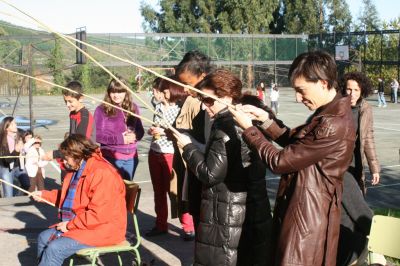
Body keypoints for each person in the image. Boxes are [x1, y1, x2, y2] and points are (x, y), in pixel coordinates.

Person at [230, 51, 356, 265]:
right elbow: (300, 146)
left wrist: (249, 130)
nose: (298, 98)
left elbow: (280, 162)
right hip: (304, 209)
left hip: (307, 218)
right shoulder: (328, 112)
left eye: (301, 90)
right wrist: (266, 121)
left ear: (323, 83)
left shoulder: (333, 122)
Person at [172, 69, 272, 265]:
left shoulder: (225, 127)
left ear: (226, 96)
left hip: (227, 212)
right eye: (203, 100)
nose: (204, 106)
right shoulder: (247, 120)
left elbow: (210, 174)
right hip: (248, 208)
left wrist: (188, 148)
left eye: (209, 100)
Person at [32, 134, 127, 266]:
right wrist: (44, 195)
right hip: (85, 225)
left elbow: (100, 214)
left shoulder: (102, 173)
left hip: (104, 229)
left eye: (66, 158)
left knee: (55, 249)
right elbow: (70, 197)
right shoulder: (77, 169)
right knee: (43, 238)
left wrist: (70, 225)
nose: (64, 162)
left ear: (76, 154)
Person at [336, 71, 384, 265]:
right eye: (349, 88)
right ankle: (352, 255)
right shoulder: (338, 106)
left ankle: (366, 248)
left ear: (362, 89)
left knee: (356, 212)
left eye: (356, 89)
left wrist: (375, 167)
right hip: (339, 167)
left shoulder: (366, 109)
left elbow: (368, 139)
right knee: (344, 215)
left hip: (355, 169)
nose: (352, 92)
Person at [172, 50, 215, 240]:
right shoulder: (199, 104)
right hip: (198, 178)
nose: (186, 91)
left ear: (203, 77)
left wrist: (188, 143)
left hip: (211, 186)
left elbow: (211, 149)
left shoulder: (213, 107)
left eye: (188, 85)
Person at [146, 77, 188, 237]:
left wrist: (163, 131)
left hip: (171, 153)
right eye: (155, 91)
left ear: (168, 91)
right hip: (154, 151)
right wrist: (153, 130)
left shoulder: (179, 108)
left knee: (176, 192)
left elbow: (181, 132)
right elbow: (155, 125)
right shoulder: (157, 107)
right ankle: (160, 224)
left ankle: (187, 226)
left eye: (158, 91)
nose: (155, 94)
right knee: (159, 192)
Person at [94, 76, 144, 180]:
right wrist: (121, 139)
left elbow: (140, 130)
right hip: (111, 157)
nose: (116, 95)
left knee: (128, 191)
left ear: (126, 92)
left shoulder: (133, 107)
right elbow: (97, 136)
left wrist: (135, 135)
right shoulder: (101, 110)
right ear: (108, 92)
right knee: (114, 192)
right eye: (113, 92)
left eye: (120, 92)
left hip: (131, 158)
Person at [43, 81, 96, 161]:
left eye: (70, 101)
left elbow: (81, 146)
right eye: (65, 101)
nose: (67, 104)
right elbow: (73, 139)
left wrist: (55, 154)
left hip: (86, 160)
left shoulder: (84, 116)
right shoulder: (73, 113)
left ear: (80, 98)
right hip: (75, 158)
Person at [0, 117, 30, 198]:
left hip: (19, 165)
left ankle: (17, 197)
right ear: (6, 128)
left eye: (15, 123)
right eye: (12, 124)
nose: (15, 125)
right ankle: (9, 204)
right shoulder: (2, 140)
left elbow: (27, 133)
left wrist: (28, 138)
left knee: (27, 184)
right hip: (6, 168)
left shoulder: (18, 134)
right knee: (8, 194)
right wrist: (16, 150)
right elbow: (7, 160)